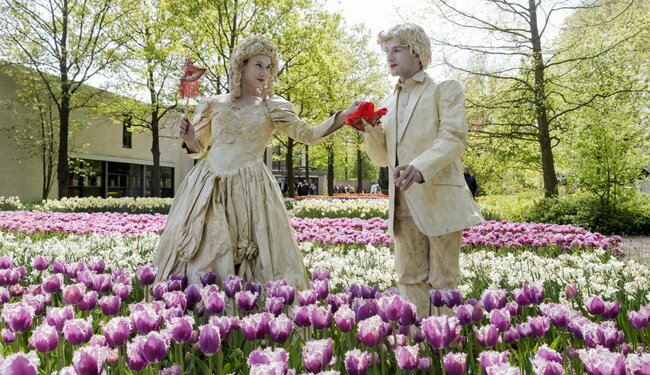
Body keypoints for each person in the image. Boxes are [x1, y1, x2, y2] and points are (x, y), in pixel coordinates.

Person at [154, 35, 358, 290]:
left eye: (269, 67)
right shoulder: (213, 105)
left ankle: (248, 309)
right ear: (242, 65)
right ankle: (199, 304)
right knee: (203, 249)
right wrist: (190, 138)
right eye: (258, 65)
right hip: (207, 186)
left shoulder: (271, 107)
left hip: (250, 187)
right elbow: (199, 149)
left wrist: (342, 117)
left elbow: (308, 135)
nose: (265, 72)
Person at [358, 23, 483, 317]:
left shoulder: (444, 90)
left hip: (439, 202)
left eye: (397, 49)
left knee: (443, 281)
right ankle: (414, 349)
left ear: (417, 51)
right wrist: (370, 131)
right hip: (401, 205)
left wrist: (420, 167)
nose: (389, 56)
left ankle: (444, 347)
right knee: (407, 279)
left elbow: (453, 137)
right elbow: (380, 158)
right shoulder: (386, 104)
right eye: (386, 51)